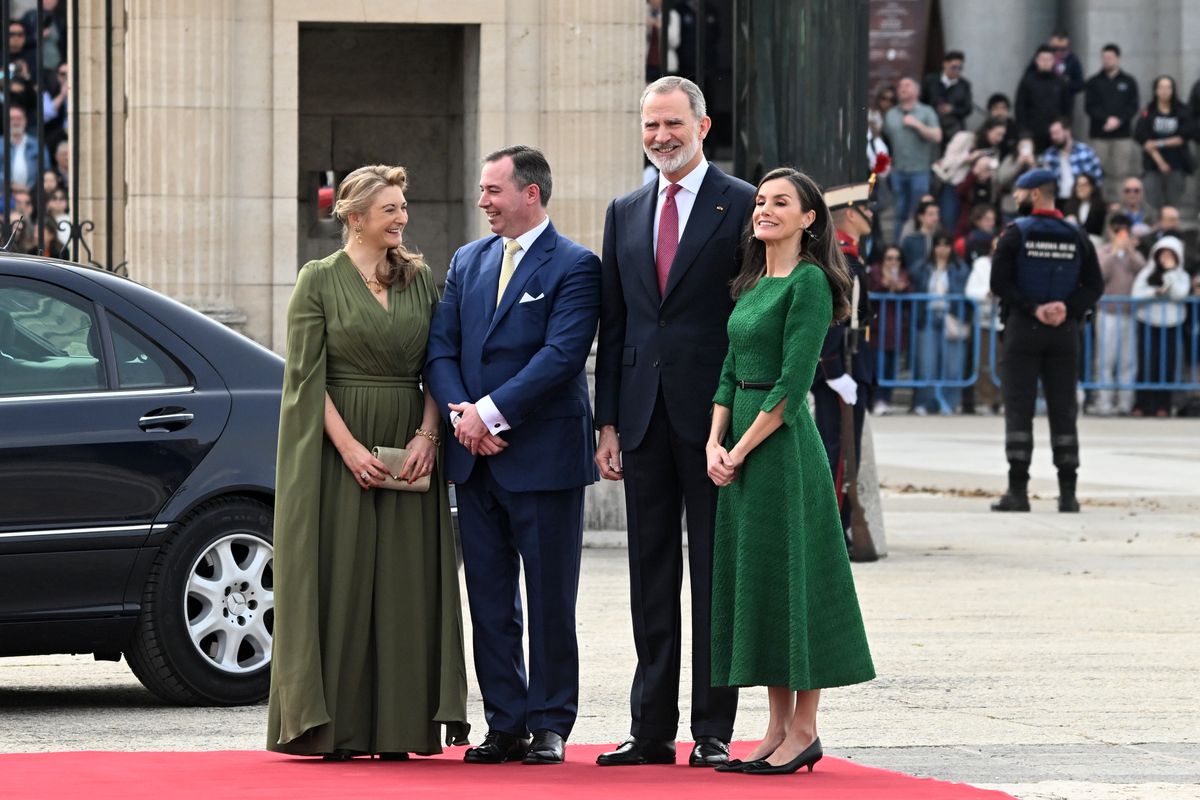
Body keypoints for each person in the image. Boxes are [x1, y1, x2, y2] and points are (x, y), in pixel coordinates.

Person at [267, 164, 469, 759]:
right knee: (342, 582)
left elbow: (439, 363)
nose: (402, 219)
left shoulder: (422, 278)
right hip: (338, 453)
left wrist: (429, 436)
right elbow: (307, 378)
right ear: (355, 216)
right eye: (391, 210)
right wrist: (350, 448)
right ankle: (334, 730)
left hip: (411, 450)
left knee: (406, 588)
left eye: (404, 209)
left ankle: (402, 729)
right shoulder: (318, 280)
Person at [593, 76, 754, 769]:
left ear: (703, 125)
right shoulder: (624, 211)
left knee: (714, 576)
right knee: (649, 575)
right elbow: (617, 321)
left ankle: (713, 729)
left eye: (673, 125)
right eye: (651, 125)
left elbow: (749, 317)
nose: (661, 136)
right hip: (640, 421)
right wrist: (606, 423)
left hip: (713, 419)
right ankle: (650, 728)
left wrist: (739, 421)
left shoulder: (744, 204)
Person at [425, 145, 601, 766]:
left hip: (543, 460)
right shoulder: (467, 260)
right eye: (481, 190)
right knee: (491, 601)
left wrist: (489, 414)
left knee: (552, 599)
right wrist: (461, 419)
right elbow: (439, 349)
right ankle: (505, 723)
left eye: (493, 191)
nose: (483, 202)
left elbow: (561, 357)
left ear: (531, 193)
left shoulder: (576, 265)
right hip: (475, 460)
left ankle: (551, 722)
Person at [705, 167, 874, 775]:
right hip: (741, 445)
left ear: (809, 219)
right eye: (759, 200)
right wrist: (713, 440)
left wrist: (741, 448)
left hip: (780, 447)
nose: (764, 209)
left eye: (781, 202)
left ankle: (804, 728)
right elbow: (729, 368)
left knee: (794, 579)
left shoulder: (809, 285)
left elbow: (793, 383)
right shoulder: (753, 283)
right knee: (766, 583)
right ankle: (776, 726)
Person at [990, 169, 1103, 513]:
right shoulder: (1077, 235)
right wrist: (1065, 308)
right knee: (1064, 409)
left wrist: (1034, 309)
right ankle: (1068, 494)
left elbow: (1000, 283)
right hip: (1065, 333)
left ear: (1035, 194)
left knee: (1019, 409)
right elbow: (1094, 286)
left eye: (1020, 192)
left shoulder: (1015, 235)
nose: (1016, 198)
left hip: (1024, 329)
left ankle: (1018, 491)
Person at [815, 179, 877, 556]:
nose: (872, 216)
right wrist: (834, 371)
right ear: (851, 213)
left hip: (853, 368)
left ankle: (840, 525)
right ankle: (835, 529)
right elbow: (831, 321)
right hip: (842, 371)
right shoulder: (841, 259)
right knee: (838, 452)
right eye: (867, 210)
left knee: (843, 450)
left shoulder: (849, 256)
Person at [910, 231, 970, 415]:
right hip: (927, 315)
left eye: (946, 244)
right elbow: (915, 280)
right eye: (939, 244)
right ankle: (927, 403)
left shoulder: (960, 268)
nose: (942, 248)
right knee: (927, 364)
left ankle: (950, 403)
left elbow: (961, 291)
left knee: (952, 364)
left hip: (950, 317)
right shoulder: (923, 266)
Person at [1131, 236, 1190, 417]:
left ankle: (1162, 405)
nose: (1165, 258)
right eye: (1162, 255)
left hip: (1171, 324)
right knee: (1146, 363)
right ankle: (1142, 404)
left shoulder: (1182, 275)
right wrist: (1153, 293)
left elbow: (1180, 294)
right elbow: (1135, 294)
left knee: (1167, 365)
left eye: (1170, 255)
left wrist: (1170, 273)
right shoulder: (1146, 273)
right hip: (1148, 323)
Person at [1092, 214, 1144, 416]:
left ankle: (1125, 403)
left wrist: (1129, 251)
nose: (1121, 234)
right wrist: (1114, 252)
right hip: (1107, 313)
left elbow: (1143, 271)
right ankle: (1104, 403)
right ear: (1110, 231)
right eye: (1117, 230)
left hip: (1129, 314)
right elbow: (1099, 276)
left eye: (1125, 231)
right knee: (1105, 360)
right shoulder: (1102, 252)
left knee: (1127, 361)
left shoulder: (1135, 254)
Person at [883, 77, 942, 243]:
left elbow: (937, 136)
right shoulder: (891, 114)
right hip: (898, 170)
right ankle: (898, 249)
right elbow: (885, 140)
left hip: (920, 171)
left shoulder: (926, 111)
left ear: (916, 91)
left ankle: (917, 247)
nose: (902, 88)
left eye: (907, 85)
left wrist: (918, 125)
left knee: (918, 213)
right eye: (900, 85)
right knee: (899, 212)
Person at [1133, 76, 1194, 212]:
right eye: (1161, 87)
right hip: (1152, 164)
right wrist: (1160, 162)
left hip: (1177, 163)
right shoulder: (1148, 111)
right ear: (1156, 90)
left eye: (1168, 87)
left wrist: (1158, 143)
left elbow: (1183, 137)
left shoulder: (1182, 110)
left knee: (1173, 204)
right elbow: (1142, 138)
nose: (1165, 91)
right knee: (1153, 202)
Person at [1084, 44, 1140, 185]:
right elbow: (1089, 106)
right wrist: (1106, 119)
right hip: (1099, 134)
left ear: (1118, 59)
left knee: (1121, 172)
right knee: (1097, 171)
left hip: (1122, 134)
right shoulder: (1093, 81)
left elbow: (1133, 106)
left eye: (1110, 57)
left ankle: (1119, 205)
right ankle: (1099, 205)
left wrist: (1119, 120)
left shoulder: (1128, 81)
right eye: (1104, 57)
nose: (1107, 60)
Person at [868, 244, 912, 416]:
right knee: (879, 366)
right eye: (889, 258)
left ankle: (886, 399)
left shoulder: (904, 275)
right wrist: (885, 285)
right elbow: (871, 292)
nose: (893, 262)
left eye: (897, 258)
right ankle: (877, 400)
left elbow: (910, 295)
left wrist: (902, 288)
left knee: (891, 367)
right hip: (878, 329)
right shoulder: (875, 273)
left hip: (897, 330)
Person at [965, 236, 1003, 414]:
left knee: (1005, 363)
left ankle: (1003, 400)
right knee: (985, 363)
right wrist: (987, 293)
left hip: (1005, 321)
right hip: (985, 321)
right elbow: (970, 291)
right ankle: (986, 400)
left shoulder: (1013, 264)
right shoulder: (980, 265)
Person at [1016, 45, 1072, 153]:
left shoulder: (1061, 82)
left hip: (1056, 134)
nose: (1045, 62)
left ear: (1053, 61)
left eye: (1049, 59)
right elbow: (1020, 109)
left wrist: (1065, 127)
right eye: (1042, 59)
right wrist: (1024, 133)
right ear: (1037, 61)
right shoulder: (1027, 82)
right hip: (1032, 134)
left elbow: (1067, 108)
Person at [1040, 118, 1103, 207]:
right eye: (1051, 134)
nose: (1053, 137)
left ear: (1067, 131)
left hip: (1080, 200)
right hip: (1058, 200)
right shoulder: (1049, 155)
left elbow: (1098, 178)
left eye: (1056, 133)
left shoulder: (1085, 151)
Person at [920, 50, 973, 146]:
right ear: (945, 64)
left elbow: (968, 108)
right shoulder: (931, 81)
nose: (957, 71)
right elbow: (922, 101)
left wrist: (952, 109)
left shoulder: (964, 85)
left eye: (960, 68)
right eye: (954, 67)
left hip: (954, 130)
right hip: (932, 127)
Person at [1, 106, 50, 192]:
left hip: (32, 195)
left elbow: (45, 171)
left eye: (19, 118)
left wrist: (32, 189)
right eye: (12, 118)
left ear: (25, 120)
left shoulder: (38, 145)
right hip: (3, 194)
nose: (16, 122)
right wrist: (11, 184)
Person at [1064, 173, 1107, 244]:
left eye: (1084, 185)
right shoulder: (1069, 206)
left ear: (1092, 187)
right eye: (1078, 185)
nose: (1081, 188)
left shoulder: (1100, 207)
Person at [900, 199, 939, 273]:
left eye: (937, 214)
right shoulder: (910, 240)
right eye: (931, 214)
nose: (936, 218)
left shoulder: (941, 240)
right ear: (921, 217)